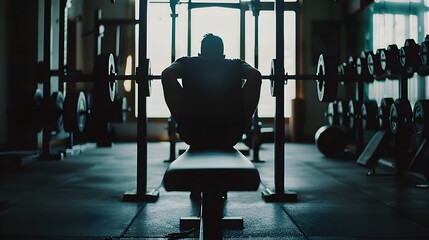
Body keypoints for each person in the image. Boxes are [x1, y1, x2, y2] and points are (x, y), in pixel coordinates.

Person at [162, 33, 261, 150]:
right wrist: (244, 120)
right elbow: (255, 75)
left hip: (192, 133)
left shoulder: (187, 62)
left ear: (200, 54)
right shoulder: (235, 64)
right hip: (230, 133)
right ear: (223, 55)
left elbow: (167, 73)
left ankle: (184, 122)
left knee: (168, 77)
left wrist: (180, 118)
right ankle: (241, 123)